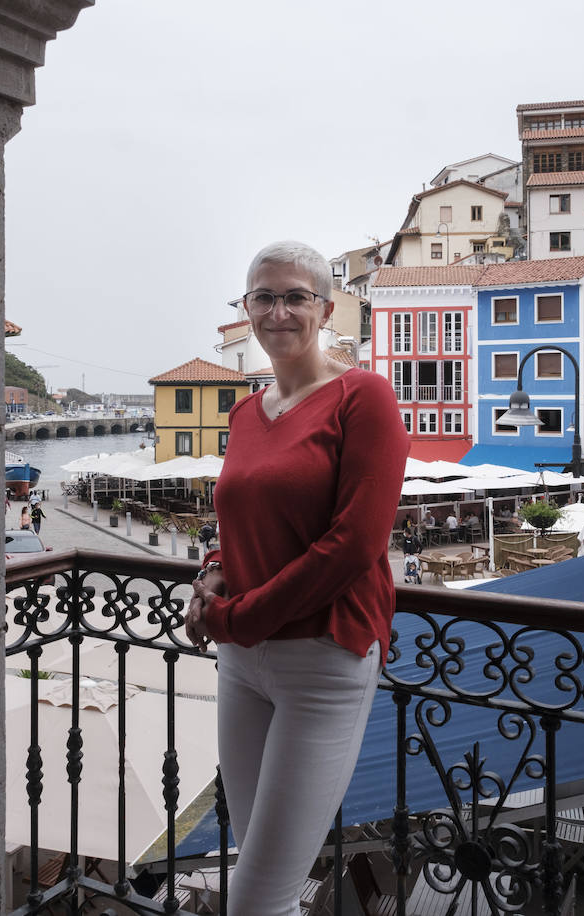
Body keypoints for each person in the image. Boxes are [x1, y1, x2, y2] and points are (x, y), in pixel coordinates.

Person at [185, 241, 408, 915]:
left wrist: (233, 619)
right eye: (263, 297)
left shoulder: (363, 397)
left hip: (323, 657)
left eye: (294, 296)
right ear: (246, 308)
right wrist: (215, 572)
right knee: (259, 865)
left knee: (255, 898)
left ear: (326, 308)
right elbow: (240, 514)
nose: (277, 311)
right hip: (243, 664)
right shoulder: (245, 413)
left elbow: (353, 545)